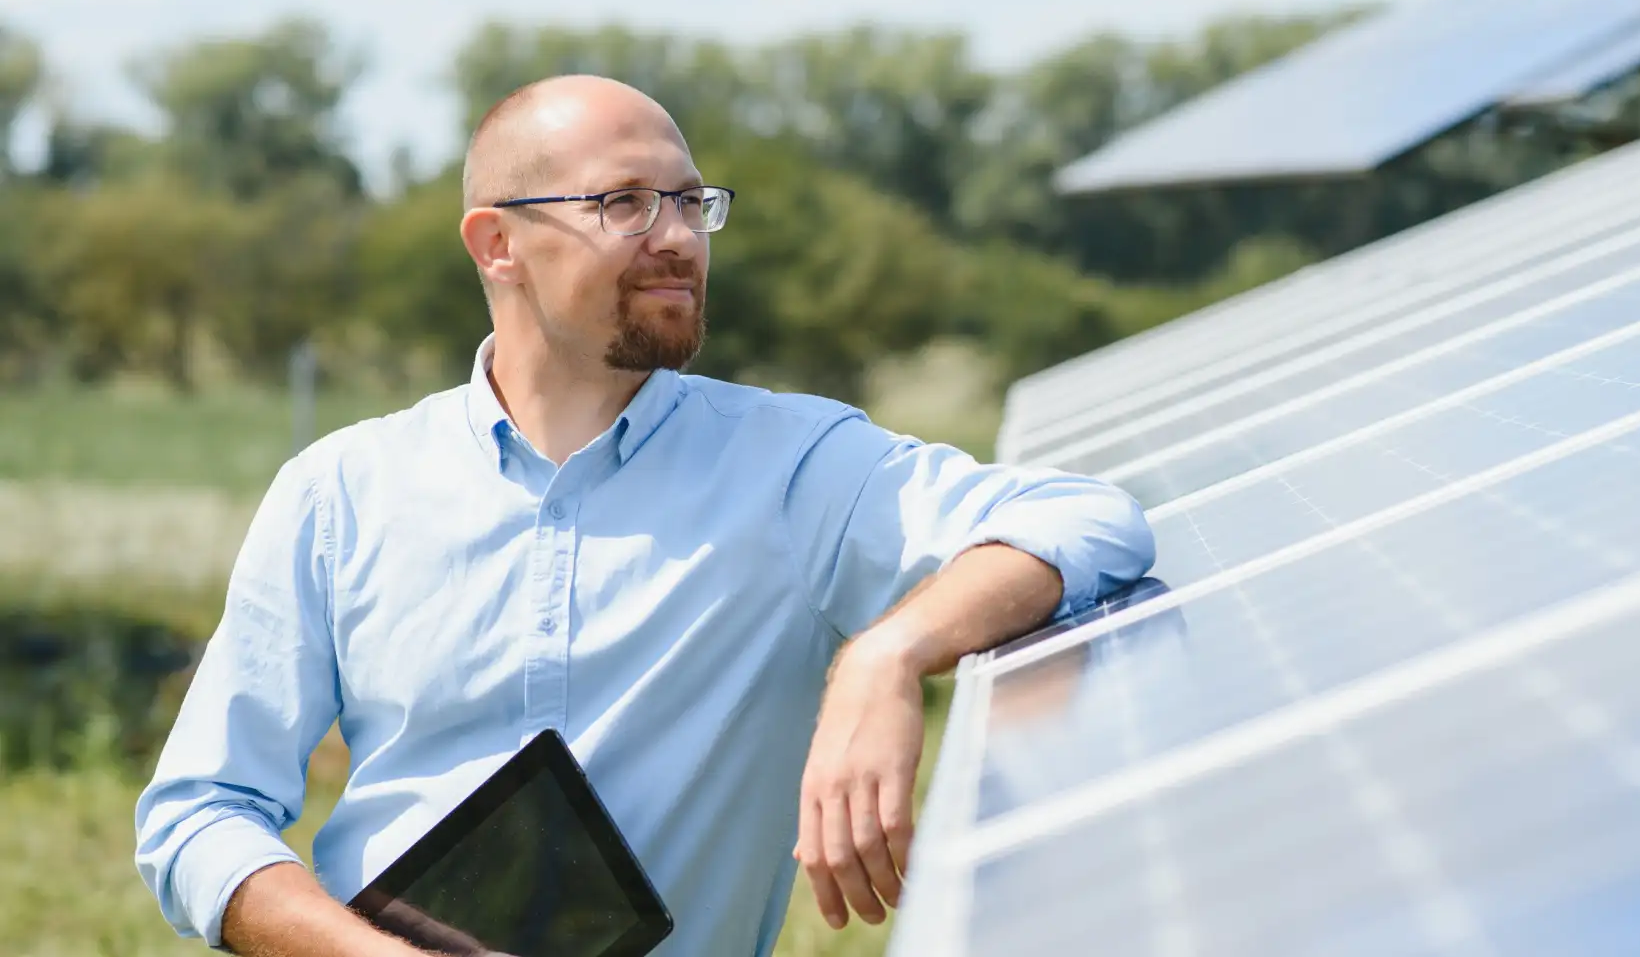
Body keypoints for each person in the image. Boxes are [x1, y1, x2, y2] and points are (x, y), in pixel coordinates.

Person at [133, 74, 1155, 957]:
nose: (675, 238)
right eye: (624, 203)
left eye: (688, 201)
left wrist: (884, 657)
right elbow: (200, 815)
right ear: (499, 244)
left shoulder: (795, 468)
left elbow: (1088, 519)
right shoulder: (339, 492)